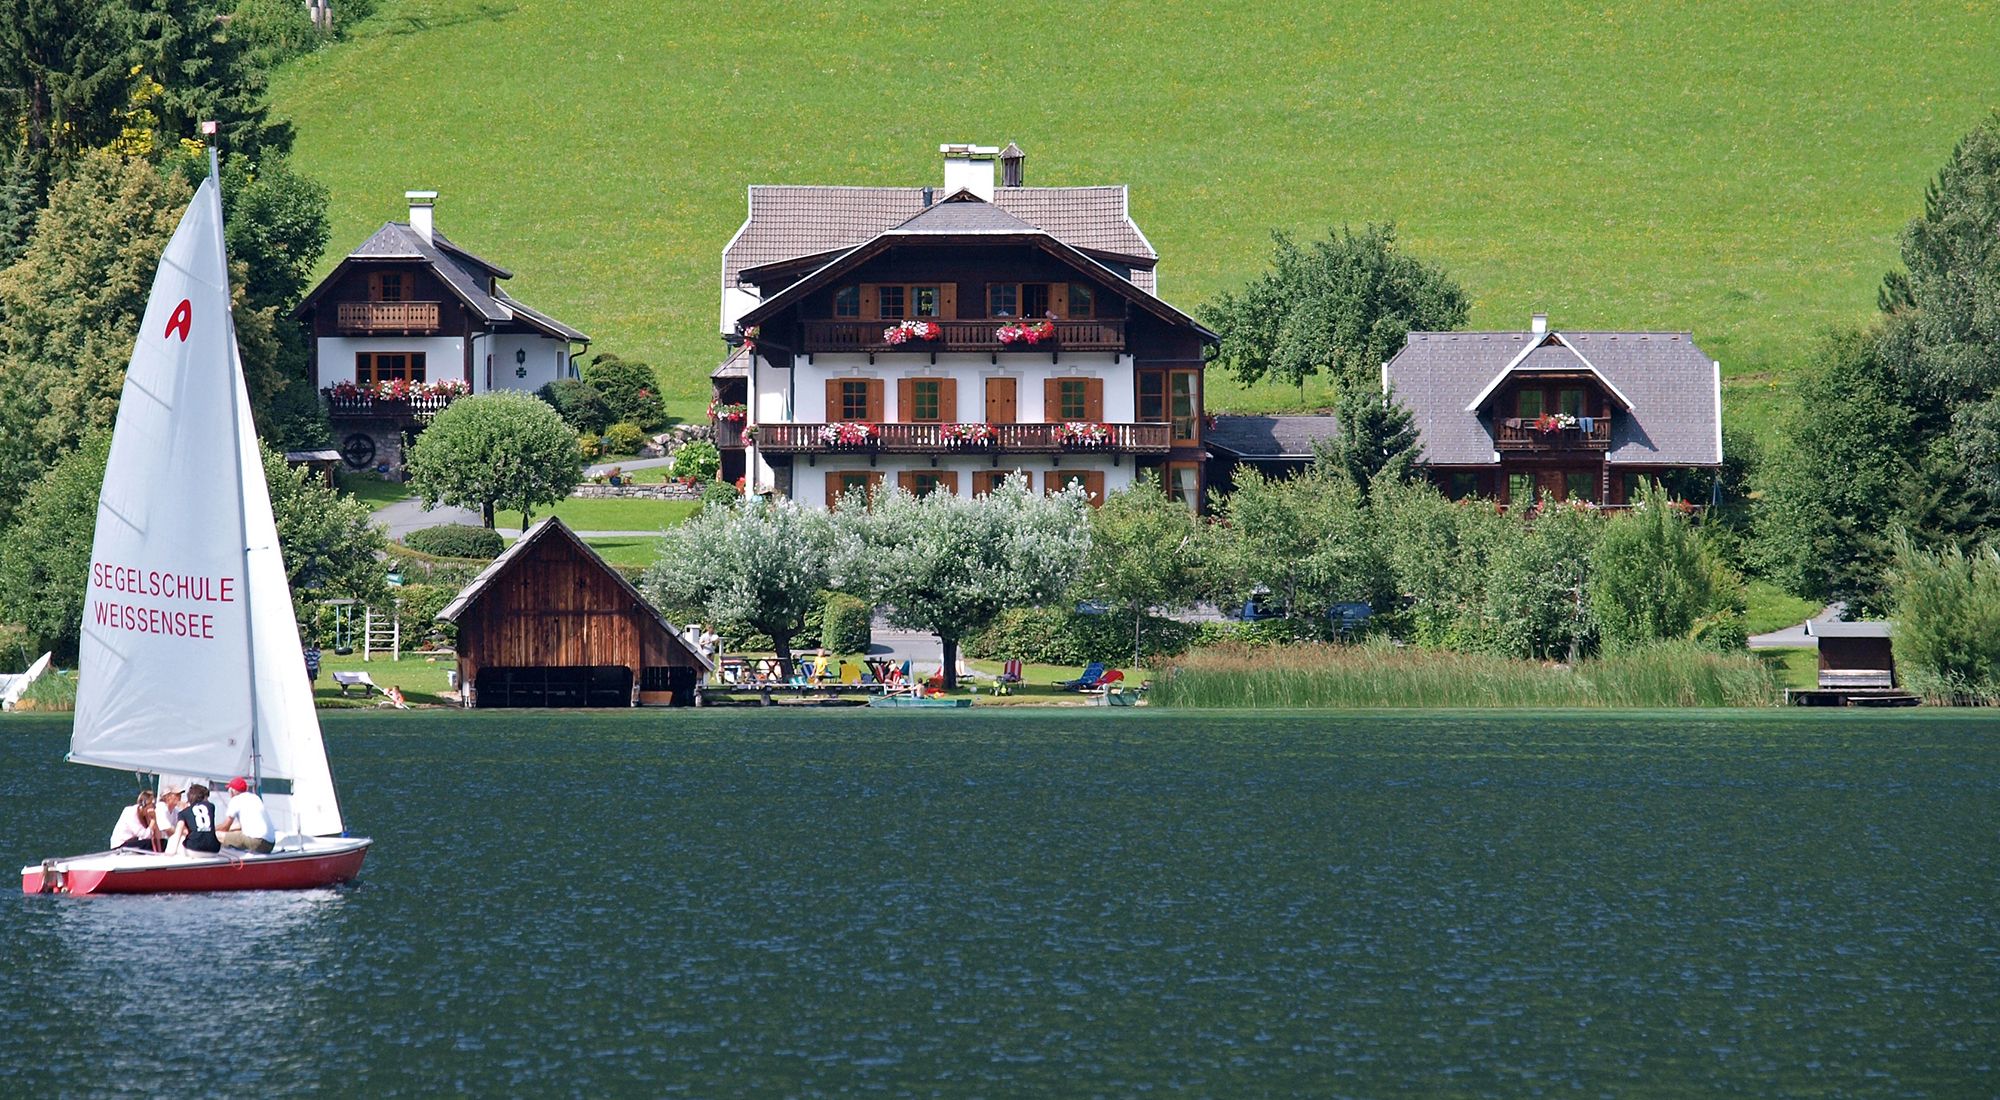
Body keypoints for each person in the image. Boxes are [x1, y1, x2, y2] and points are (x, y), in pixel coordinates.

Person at [216, 776, 275, 854]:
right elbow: (239, 826)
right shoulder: (255, 798)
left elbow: (225, 827)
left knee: (217, 835)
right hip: (270, 844)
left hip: (256, 842)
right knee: (234, 834)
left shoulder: (235, 800)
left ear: (232, 791)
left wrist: (210, 830)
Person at [174, 783, 221, 854]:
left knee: (177, 839)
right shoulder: (211, 806)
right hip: (214, 849)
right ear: (203, 797)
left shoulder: (183, 813)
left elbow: (178, 832)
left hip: (194, 849)